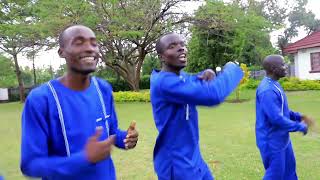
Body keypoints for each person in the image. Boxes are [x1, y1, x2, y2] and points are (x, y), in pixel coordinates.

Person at [20, 25, 139, 180]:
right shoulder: (41, 99)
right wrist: (84, 158)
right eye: (79, 42)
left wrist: (126, 138)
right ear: (61, 52)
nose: (90, 48)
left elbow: (111, 132)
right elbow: (31, 165)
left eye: (94, 43)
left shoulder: (102, 89)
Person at [150, 32, 244, 180]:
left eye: (182, 44)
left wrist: (207, 72)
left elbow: (194, 80)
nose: (181, 48)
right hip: (177, 163)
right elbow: (213, 95)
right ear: (161, 56)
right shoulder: (164, 82)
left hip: (193, 156)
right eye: (172, 46)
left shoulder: (179, 77)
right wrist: (232, 69)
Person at [255, 55, 314, 180]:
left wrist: (299, 116)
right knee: (275, 175)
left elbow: (283, 110)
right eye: (282, 64)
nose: (286, 66)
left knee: (290, 173)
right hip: (271, 141)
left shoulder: (274, 84)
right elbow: (276, 119)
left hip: (283, 139)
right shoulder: (267, 90)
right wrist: (299, 126)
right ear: (273, 68)